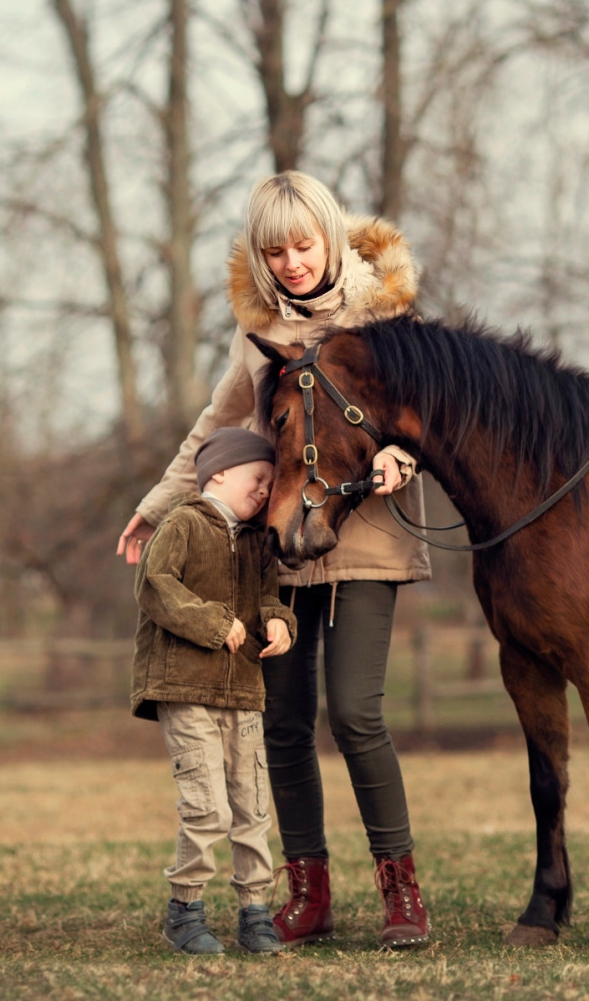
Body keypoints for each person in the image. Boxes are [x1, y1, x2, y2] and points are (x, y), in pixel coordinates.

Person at [117, 171, 434, 948]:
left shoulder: (387, 316)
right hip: (280, 550)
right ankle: (307, 894)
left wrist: (402, 453)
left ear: (328, 235)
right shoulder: (256, 332)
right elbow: (214, 427)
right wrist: (156, 505)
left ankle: (402, 897)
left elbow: (427, 412)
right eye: (274, 250)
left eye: (303, 244)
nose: (292, 262)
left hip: (368, 539)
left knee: (356, 712)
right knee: (284, 723)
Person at [131, 427, 298, 955]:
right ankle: (185, 911)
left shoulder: (258, 542)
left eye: (272, 483)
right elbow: (155, 584)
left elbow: (269, 596)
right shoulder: (182, 523)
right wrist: (212, 621)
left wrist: (278, 621)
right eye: (260, 478)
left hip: (244, 691)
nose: (266, 491)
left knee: (251, 807)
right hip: (186, 687)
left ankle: (254, 914)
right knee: (207, 808)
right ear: (218, 473)